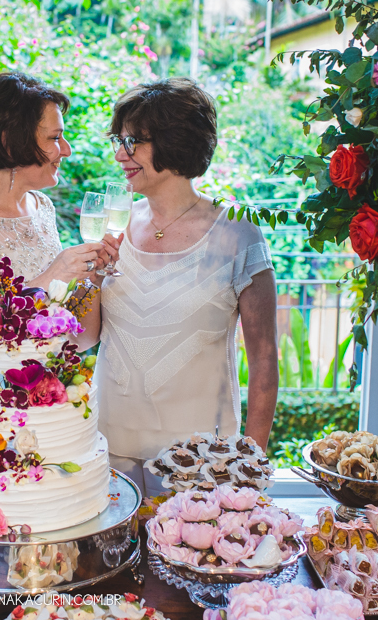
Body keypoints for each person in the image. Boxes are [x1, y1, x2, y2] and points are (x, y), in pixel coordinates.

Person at [88, 77, 279, 494]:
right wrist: (91, 274)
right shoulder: (111, 226)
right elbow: (86, 337)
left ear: (175, 141)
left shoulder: (238, 234)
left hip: (201, 461)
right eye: (120, 142)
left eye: (133, 142)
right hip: (106, 449)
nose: (121, 155)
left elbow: (264, 359)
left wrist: (251, 466)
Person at [0, 72, 118, 382]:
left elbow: (80, 340)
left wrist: (95, 274)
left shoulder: (42, 208)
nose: (67, 150)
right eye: (54, 138)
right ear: (9, 142)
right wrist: (48, 279)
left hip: (46, 403)